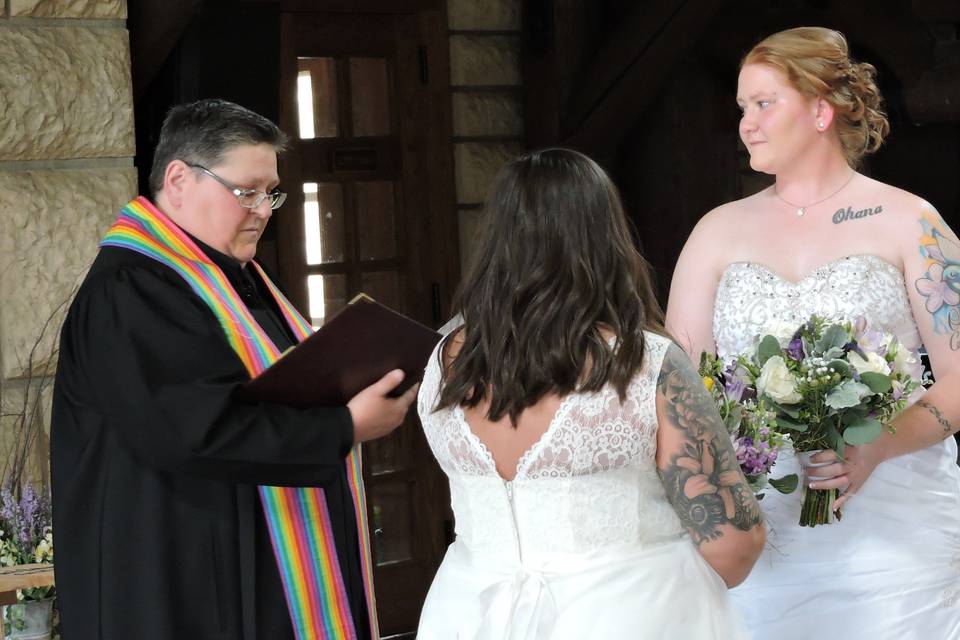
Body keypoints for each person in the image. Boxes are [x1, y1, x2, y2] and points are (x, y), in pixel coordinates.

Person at [51, 98, 418, 639]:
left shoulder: (237, 280)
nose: (264, 209)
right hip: (177, 581)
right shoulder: (133, 290)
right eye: (246, 191)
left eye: (271, 193)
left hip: (239, 562)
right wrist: (344, 427)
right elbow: (194, 430)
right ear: (178, 179)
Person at [666, 26, 960, 639]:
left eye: (764, 103)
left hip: (895, 527)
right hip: (764, 525)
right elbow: (685, 395)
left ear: (822, 110)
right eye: (742, 107)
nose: (747, 123)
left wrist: (877, 443)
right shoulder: (715, 232)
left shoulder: (911, 220)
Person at [415, 148, 765, 639]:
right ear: (606, 237)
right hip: (632, 611)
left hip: (468, 615)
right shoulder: (644, 363)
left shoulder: (441, 360)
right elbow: (734, 542)